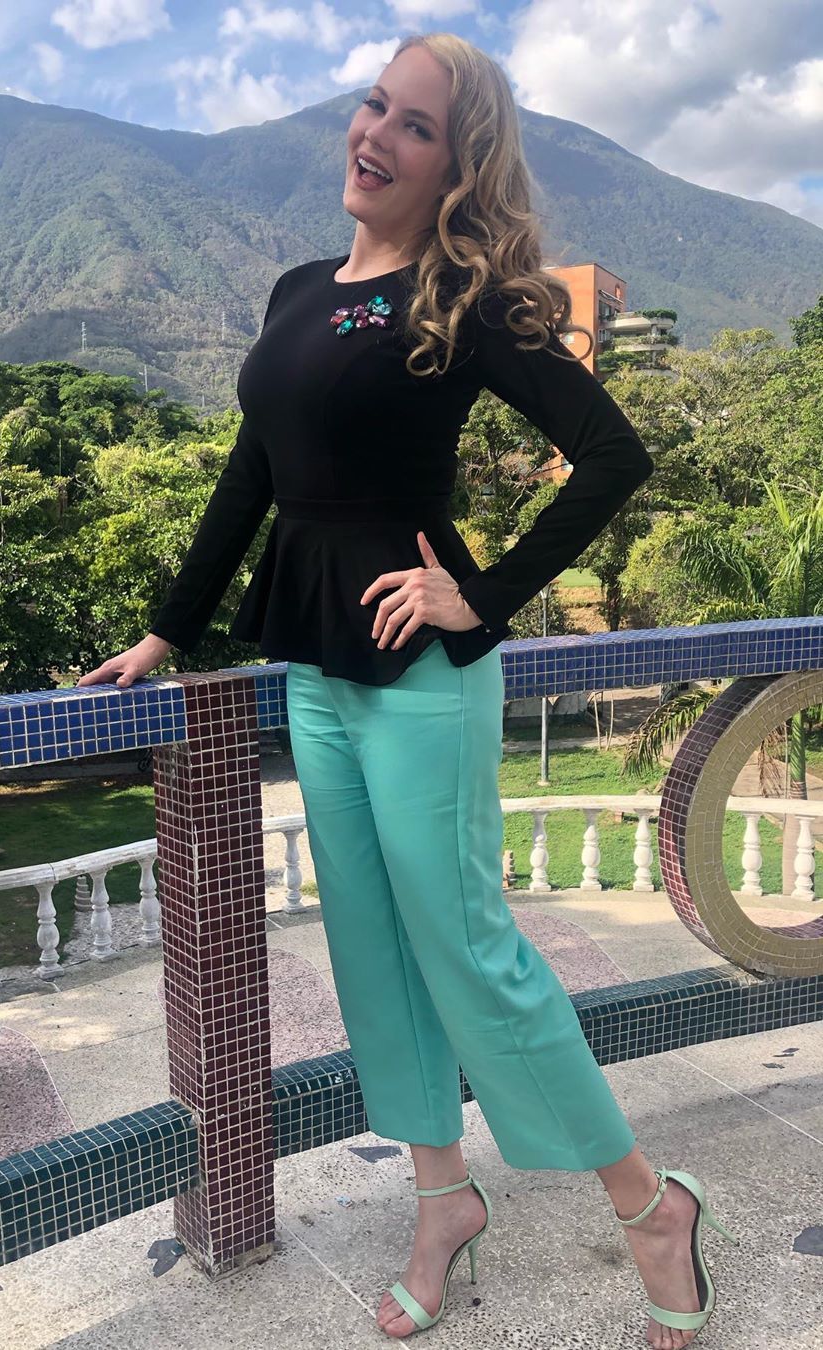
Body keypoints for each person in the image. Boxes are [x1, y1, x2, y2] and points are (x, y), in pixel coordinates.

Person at [77, 32, 737, 1350]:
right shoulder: (297, 290)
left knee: (468, 946)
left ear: (456, 165)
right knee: (371, 948)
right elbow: (253, 474)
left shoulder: (465, 296)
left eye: (416, 124)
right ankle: (444, 1201)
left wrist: (481, 595)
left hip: (421, 668)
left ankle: (649, 1202)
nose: (376, 132)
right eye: (376, 105)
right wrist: (164, 633)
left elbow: (613, 453)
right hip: (314, 664)